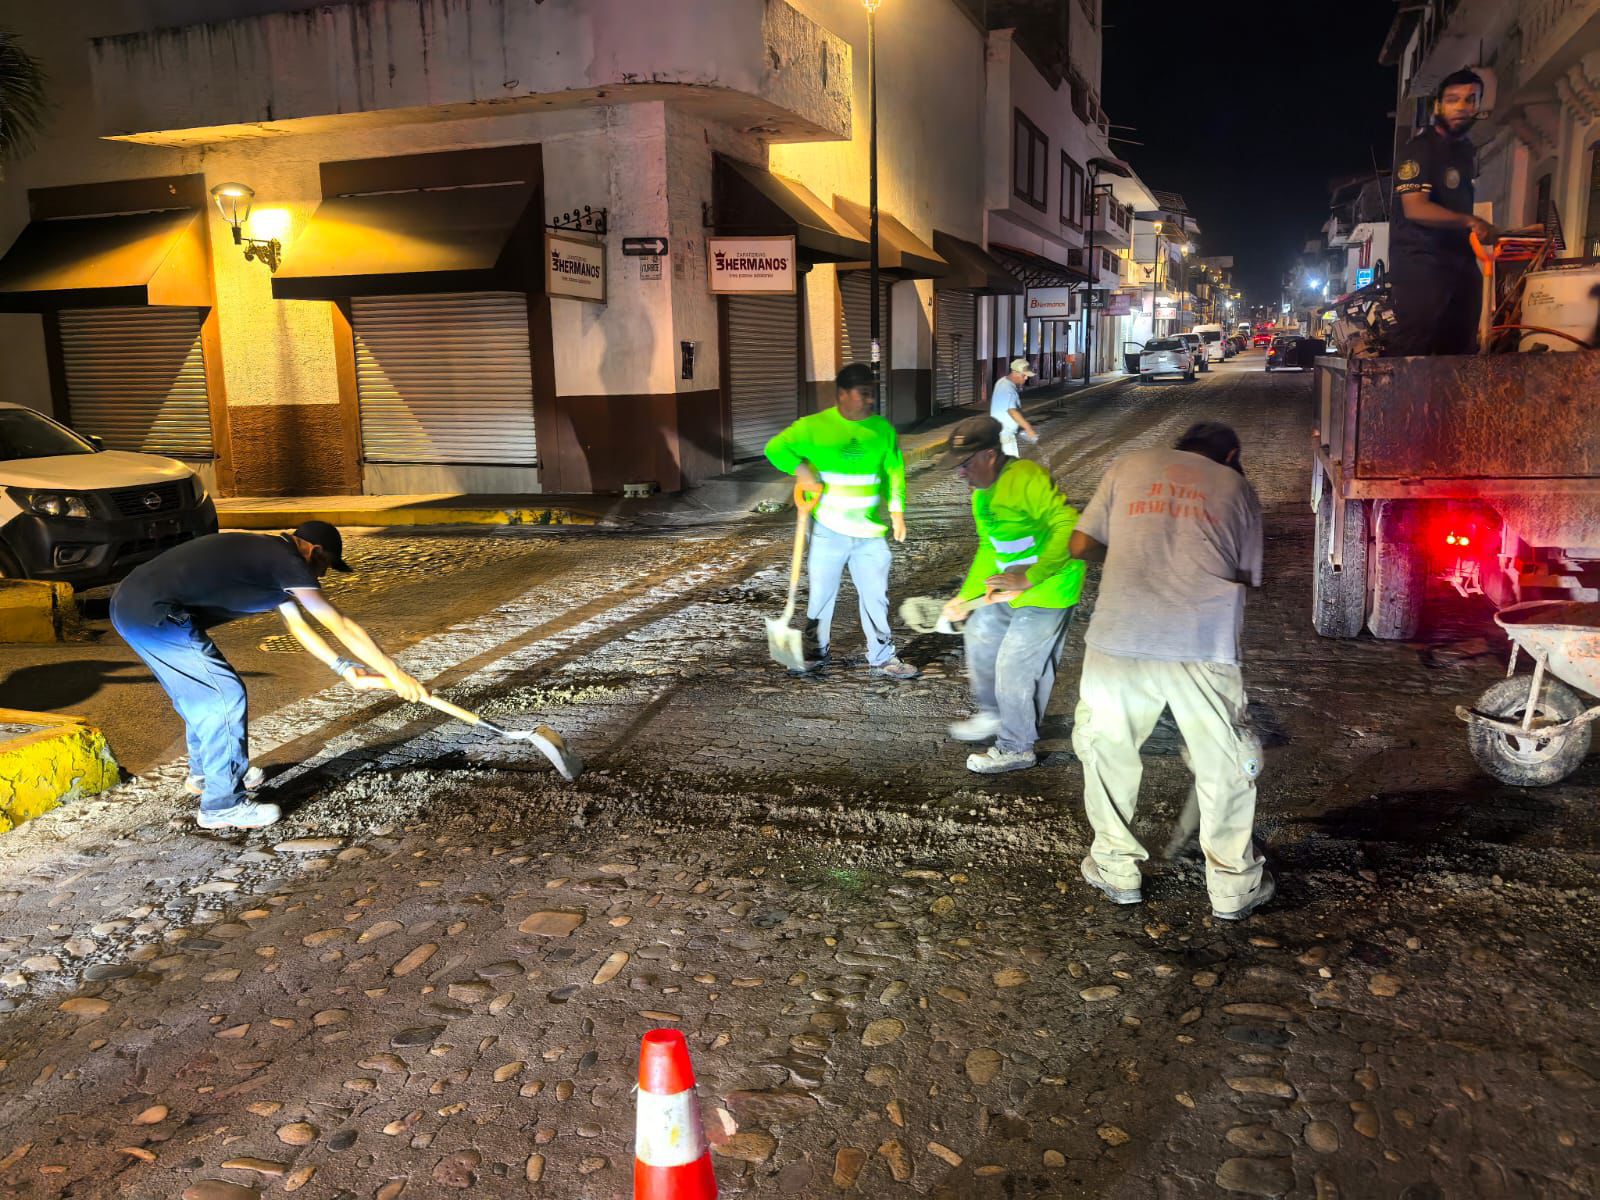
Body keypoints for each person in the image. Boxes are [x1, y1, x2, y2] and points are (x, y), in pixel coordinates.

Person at [1067, 422, 1272, 920]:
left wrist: (1137, 549)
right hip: (1202, 643)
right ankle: (1232, 887)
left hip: (1119, 639)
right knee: (1225, 766)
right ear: (1230, 454)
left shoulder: (1128, 465)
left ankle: (1116, 868)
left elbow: (1079, 545)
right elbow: (1249, 578)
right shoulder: (1236, 486)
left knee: (1108, 753)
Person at [110, 521, 429, 830]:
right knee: (223, 696)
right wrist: (396, 673)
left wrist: (345, 669)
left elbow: (300, 627)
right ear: (313, 551)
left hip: (134, 605)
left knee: (201, 696)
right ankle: (222, 804)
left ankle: (208, 774)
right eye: (326, 565)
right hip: (153, 612)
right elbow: (339, 624)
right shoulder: (287, 561)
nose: (322, 575)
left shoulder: (271, 558)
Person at [939, 416, 1084, 774]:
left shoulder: (1026, 479)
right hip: (1010, 587)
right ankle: (995, 714)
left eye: (966, 464)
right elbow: (990, 546)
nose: (961, 473)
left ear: (990, 455)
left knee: (1016, 664)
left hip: (1049, 586)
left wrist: (1030, 577)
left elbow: (1067, 525)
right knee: (980, 633)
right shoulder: (981, 495)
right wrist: (965, 597)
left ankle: (1016, 746)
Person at [764, 363, 918, 680]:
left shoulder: (882, 430)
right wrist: (802, 471)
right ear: (842, 394)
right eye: (864, 394)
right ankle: (815, 653)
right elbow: (775, 448)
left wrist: (897, 511)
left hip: (870, 535)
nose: (870, 400)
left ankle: (883, 656)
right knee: (821, 596)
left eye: (872, 394)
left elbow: (895, 472)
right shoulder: (813, 427)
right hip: (828, 531)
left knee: (876, 597)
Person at [1386, 68, 1499, 357]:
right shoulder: (1420, 150)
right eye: (1453, 99)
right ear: (1438, 106)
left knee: (1460, 351)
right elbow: (1415, 207)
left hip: (1459, 266)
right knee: (1418, 346)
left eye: (1470, 99)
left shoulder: (1463, 153)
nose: (1461, 107)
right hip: (1422, 267)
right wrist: (1470, 221)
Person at [989, 358, 1040, 458]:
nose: (1026, 378)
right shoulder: (1008, 389)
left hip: (997, 433)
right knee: (1010, 465)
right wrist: (1028, 427)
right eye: (1024, 375)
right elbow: (1012, 411)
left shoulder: (1002, 381)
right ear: (1015, 373)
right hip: (1005, 436)